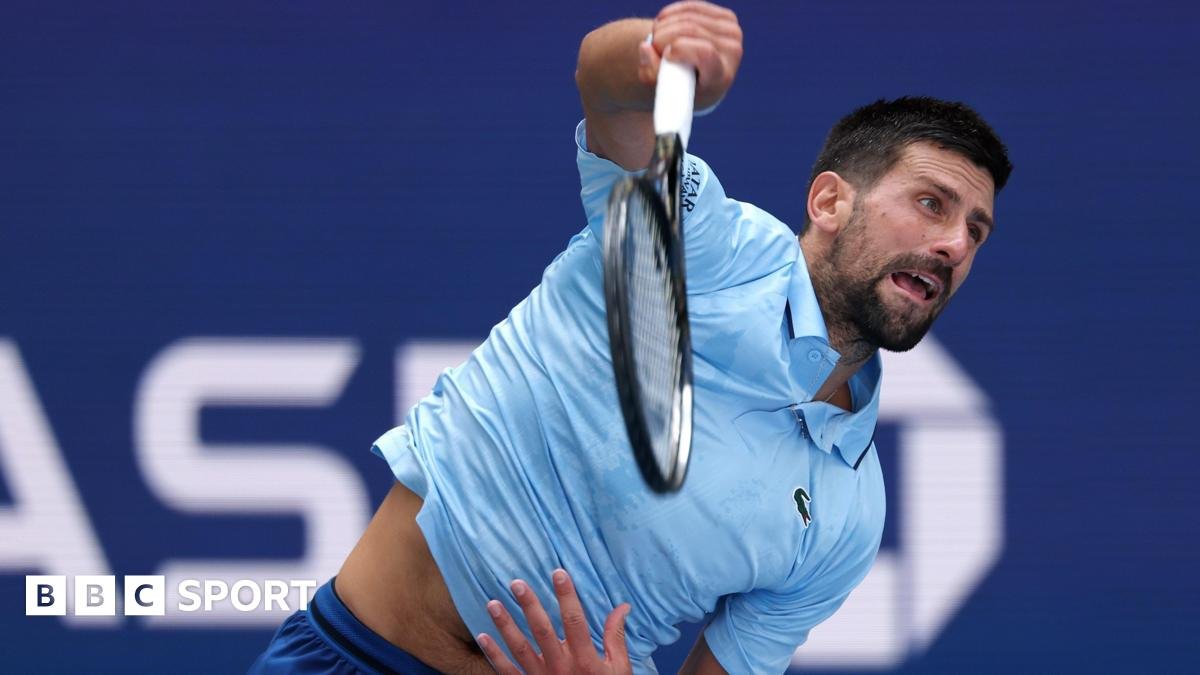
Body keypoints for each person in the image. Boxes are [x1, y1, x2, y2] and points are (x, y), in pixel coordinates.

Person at [249, 1, 1011, 673]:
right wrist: (659, 54)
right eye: (930, 203)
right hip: (350, 652)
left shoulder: (848, 512)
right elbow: (603, 87)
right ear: (829, 201)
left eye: (975, 230)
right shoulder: (701, 239)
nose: (954, 244)